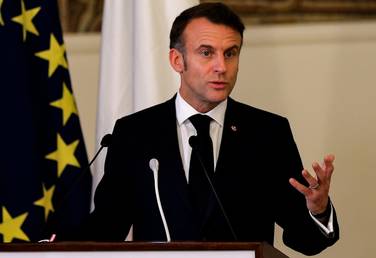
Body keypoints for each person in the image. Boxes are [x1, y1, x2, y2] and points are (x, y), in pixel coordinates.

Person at [86, 2, 339, 256]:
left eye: (230, 53)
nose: (221, 67)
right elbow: (106, 227)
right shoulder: (135, 134)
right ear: (177, 60)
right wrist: (52, 245)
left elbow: (305, 240)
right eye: (206, 53)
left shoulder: (268, 133)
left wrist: (318, 210)